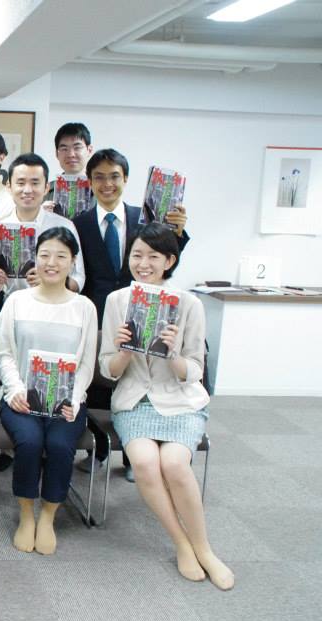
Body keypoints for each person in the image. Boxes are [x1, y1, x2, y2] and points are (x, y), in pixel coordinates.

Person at [100, 222, 234, 590]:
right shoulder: (117, 301)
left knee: (174, 464)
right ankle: (182, 544)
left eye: (153, 256)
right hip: (134, 401)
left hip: (179, 401)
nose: (143, 264)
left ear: (169, 261)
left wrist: (172, 353)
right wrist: (124, 350)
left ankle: (204, 548)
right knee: (145, 463)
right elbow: (108, 369)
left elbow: (195, 371)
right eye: (136, 255)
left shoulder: (189, 304)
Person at [73, 149, 190, 476]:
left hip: (145, 309)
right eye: (99, 177)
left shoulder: (147, 217)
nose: (107, 184)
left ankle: (131, 457)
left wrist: (178, 232)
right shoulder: (79, 222)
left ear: (125, 179)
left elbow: (166, 257)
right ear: (89, 182)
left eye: (114, 176)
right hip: (98, 310)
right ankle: (97, 451)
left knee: (138, 377)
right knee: (99, 383)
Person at [0, 227, 97, 555]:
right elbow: (5, 354)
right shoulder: (17, 301)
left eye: (60, 256)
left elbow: (86, 363)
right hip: (20, 398)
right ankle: (27, 514)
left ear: (73, 262)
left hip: (66, 401)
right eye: (44, 255)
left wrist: (75, 399)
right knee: (29, 441)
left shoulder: (84, 307)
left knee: (59, 444)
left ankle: (49, 516)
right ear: (34, 258)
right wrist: (15, 390)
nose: (51, 263)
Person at [0, 153, 85, 299]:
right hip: (13, 306)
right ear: (9, 187)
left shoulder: (64, 226)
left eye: (35, 183)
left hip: (56, 304)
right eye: (21, 183)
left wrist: (52, 282)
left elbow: (78, 279)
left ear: (46, 188)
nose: (27, 190)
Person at [43, 122, 93, 214]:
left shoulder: (100, 190)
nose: (71, 154)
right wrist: (40, 216)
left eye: (77, 148)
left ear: (89, 150)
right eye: (64, 149)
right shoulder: (45, 191)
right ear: (57, 154)